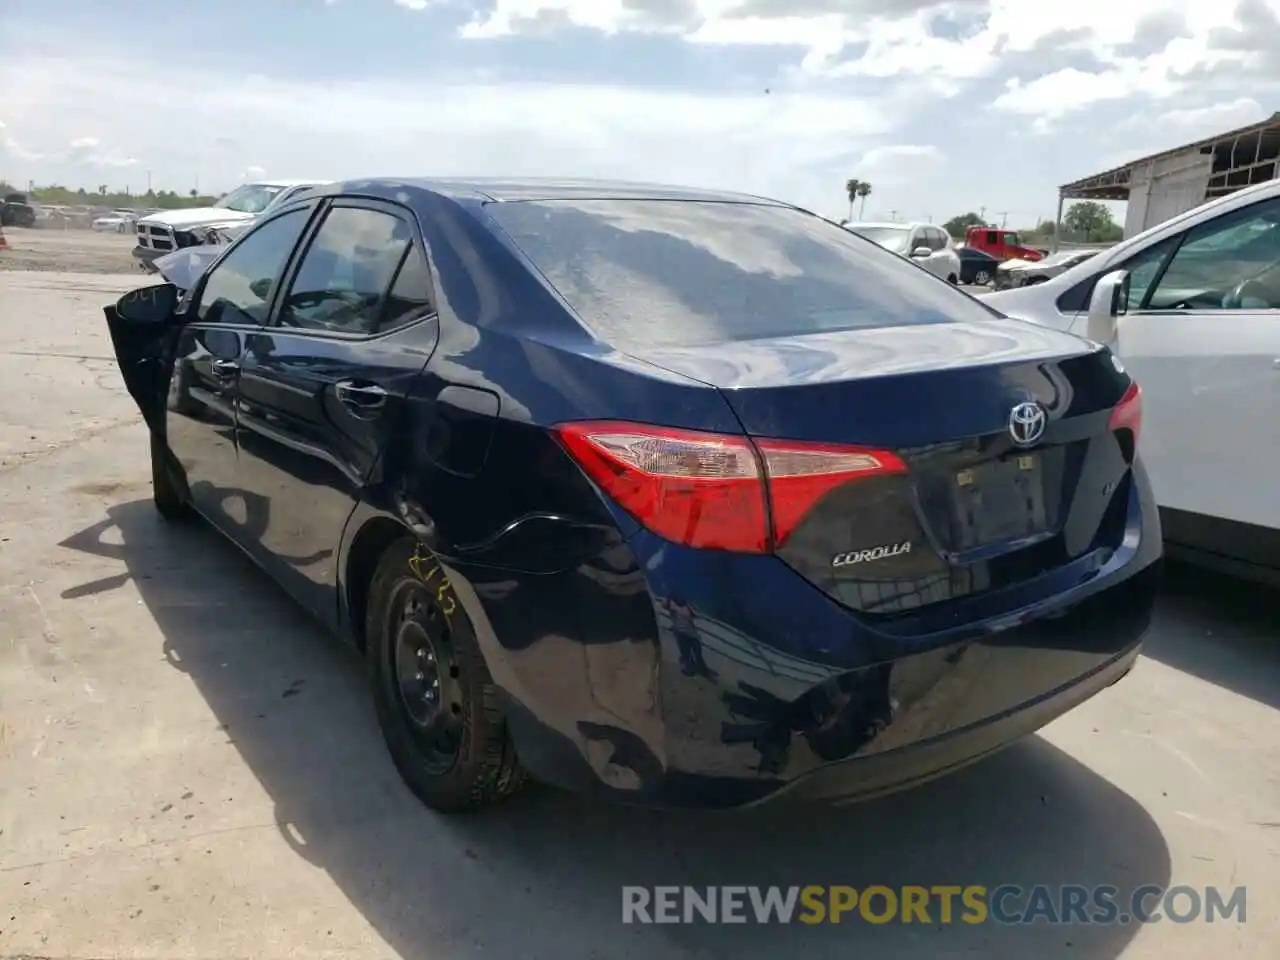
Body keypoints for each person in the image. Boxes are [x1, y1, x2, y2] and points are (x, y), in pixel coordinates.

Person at [667, 598, 715, 680]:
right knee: (688, 654)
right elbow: (668, 605)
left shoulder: (687, 615)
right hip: (683, 635)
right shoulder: (677, 611)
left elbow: (695, 618)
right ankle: (693, 669)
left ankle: (702, 670)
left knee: (696, 654)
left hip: (690, 636)